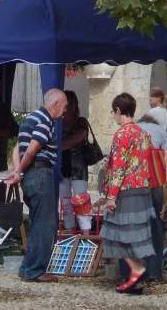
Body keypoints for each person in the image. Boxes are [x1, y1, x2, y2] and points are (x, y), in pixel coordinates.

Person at [7, 88, 68, 283]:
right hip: (40, 173)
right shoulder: (45, 120)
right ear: (55, 103)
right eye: (64, 106)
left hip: (30, 175)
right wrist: (19, 171)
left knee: (37, 222)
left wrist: (18, 170)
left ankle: (27, 267)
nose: (65, 111)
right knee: (46, 224)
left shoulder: (30, 118)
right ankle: (34, 270)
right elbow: (32, 149)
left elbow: (17, 147)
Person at [103, 92, 157, 295]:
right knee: (136, 235)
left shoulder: (122, 134)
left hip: (126, 190)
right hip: (143, 189)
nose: (114, 116)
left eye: (113, 112)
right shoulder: (143, 133)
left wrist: (111, 196)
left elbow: (119, 167)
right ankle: (136, 280)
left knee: (114, 233)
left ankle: (136, 268)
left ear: (118, 110)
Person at [135, 112, 167, 282]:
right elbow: (166, 163)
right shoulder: (161, 131)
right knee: (155, 223)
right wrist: (163, 187)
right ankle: (154, 272)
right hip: (154, 183)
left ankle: (134, 270)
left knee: (135, 224)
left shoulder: (132, 128)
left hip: (134, 183)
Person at [60, 91, 93, 231]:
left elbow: (77, 138)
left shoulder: (81, 122)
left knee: (81, 203)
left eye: (70, 103)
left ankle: (86, 235)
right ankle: (69, 234)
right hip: (62, 168)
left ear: (75, 105)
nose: (68, 106)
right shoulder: (58, 121)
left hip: (78, 169)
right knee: (66, 204)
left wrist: (58, 146)